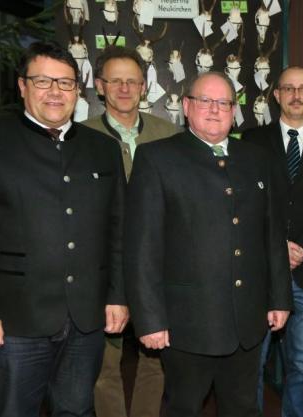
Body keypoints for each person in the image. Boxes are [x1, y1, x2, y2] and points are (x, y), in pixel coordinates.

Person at [0, 41, 127, 417]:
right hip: (12, 323)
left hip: (86, 320)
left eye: (66, 83)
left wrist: (118, 295)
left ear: (79, 90)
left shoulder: (103, 149)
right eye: (43, 81)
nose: (55, 92)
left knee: (76, 411)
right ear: (22, 86)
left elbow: (118, 230)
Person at [124, 71, 292, 417]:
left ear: (234, 110)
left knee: (244, 407)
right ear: (186, 106)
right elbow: (142, 247)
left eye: (224, 103)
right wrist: (150, 319)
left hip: (247, 320)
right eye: (205, 101)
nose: (215, 110)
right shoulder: (157, 158)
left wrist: (279, 298)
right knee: (184, 407)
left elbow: (272, 237)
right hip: (186, 324)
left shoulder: (257, 159)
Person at [242, 66, 303, 417]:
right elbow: (244, 205)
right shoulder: (251, 141)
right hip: (261, 274)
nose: (296, 95)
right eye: (288, 88)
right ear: (276, 94)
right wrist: (276, 246)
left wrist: (301, 248)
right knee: (250, 366)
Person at [83, 46, 178, 417]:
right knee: (105, 360)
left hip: (159, 266)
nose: (124, 88)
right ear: (99, 86)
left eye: (132, 81)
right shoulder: (82, 137)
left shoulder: (169, 134)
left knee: (156, 355)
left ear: (144, 87)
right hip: (102, 266)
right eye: (115, 80)